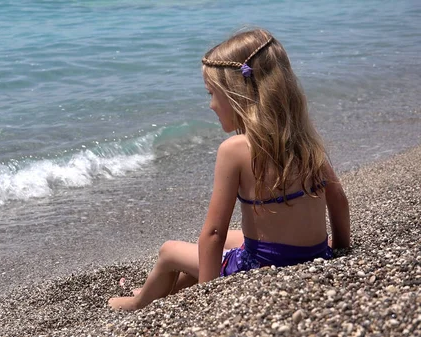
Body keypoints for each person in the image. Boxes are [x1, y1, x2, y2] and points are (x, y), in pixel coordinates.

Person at [108, 28, 351, 311]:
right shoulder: (304, 137)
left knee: (169, 251)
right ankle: (171, 288)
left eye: (212, 94)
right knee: (236, 239)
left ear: (238, 93)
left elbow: (213, 233)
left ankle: (138, 302)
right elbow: (339, 199)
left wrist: (209, 294)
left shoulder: (235, 149)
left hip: (262, 266)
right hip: (315, 253)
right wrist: (339, 249)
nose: (210, 105)